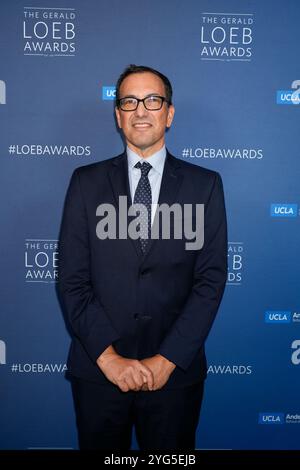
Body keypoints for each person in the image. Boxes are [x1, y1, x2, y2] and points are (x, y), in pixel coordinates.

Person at [58, 64, 227, 450]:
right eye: (129, 101)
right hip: (98, 372)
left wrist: (166, 360)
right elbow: (72, 279)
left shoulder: (206, 185)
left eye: (152, 100)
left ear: (169, 112)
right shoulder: (86, 183)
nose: (140, 110)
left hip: (175, 376)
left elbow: (211, 280)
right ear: (118, 115)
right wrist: (109, 359)